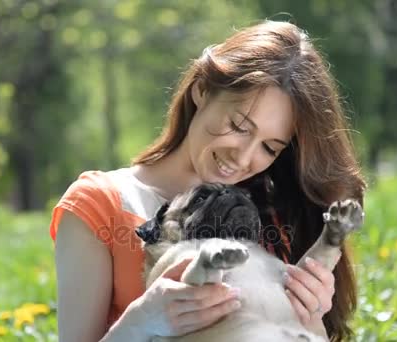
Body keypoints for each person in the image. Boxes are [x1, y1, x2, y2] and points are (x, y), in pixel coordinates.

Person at [50, 20, 366, 342]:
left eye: (269, 147)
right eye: (240, 126)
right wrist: (140, 322)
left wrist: (310, 316)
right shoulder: (100, 204)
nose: (243, 158)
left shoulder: (266, 210)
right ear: (202, 91)